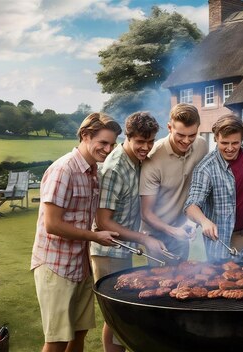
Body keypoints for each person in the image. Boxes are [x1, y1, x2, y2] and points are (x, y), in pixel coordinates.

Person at [30, 112, 122, 352]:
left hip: (80, 266)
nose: (108, 149)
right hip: (56, 265)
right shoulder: (63, 170)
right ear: (85, 136)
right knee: (57, 340)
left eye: (112, 144)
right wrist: (95, 236)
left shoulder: (93, 172)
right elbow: (52, 224)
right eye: (103, 142)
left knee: (78, 334)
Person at [90, 111, 165, 352]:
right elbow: (102, 222)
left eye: (150, 141)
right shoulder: (115, 168)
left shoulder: (137, 161)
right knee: (115, 313)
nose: (146, 147)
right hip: (107, 251)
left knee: (122, 312)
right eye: (140, 142)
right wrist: (143, 237)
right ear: (128, 137)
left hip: (124, 248)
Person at [140, 103, 208, 264]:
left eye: (192, 135)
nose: (186, 141)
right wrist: (172, 231)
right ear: (169, 127)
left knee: (181, 284)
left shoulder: (201, 145)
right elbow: (146, 213)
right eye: (181, 135)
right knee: (159, 284)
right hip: (156, 235)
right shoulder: (153, 158)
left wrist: (190, 222)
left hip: (182, 230)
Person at [185, 114, 243, 262]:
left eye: (235, 143)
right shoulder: (205, 168)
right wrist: (204, 221)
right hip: (222, 243)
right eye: (224, 143)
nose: (230, 148)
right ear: (216, 138)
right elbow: (190, 206)